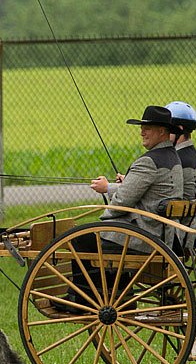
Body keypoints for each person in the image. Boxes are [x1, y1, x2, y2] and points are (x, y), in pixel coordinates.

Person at [64, 105, 183, 311]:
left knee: (79, 240)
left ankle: (83, 301)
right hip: (165, 235)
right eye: (142, 127)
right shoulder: (173, 158)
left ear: (162, 131)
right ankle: (119, 294)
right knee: (98, 236)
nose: (142, 132)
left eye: (148, 128)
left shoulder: (148, 162)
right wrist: (124, 184)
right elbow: (150, 192)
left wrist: (105, 214)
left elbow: (120, 204)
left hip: (144, 238)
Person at [165, 101, 196, 250]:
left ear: (179, 130)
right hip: (192, 231)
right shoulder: (192, 158)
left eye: (166, 129)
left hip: (176, 235)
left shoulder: (178, 161)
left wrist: (110, 188)